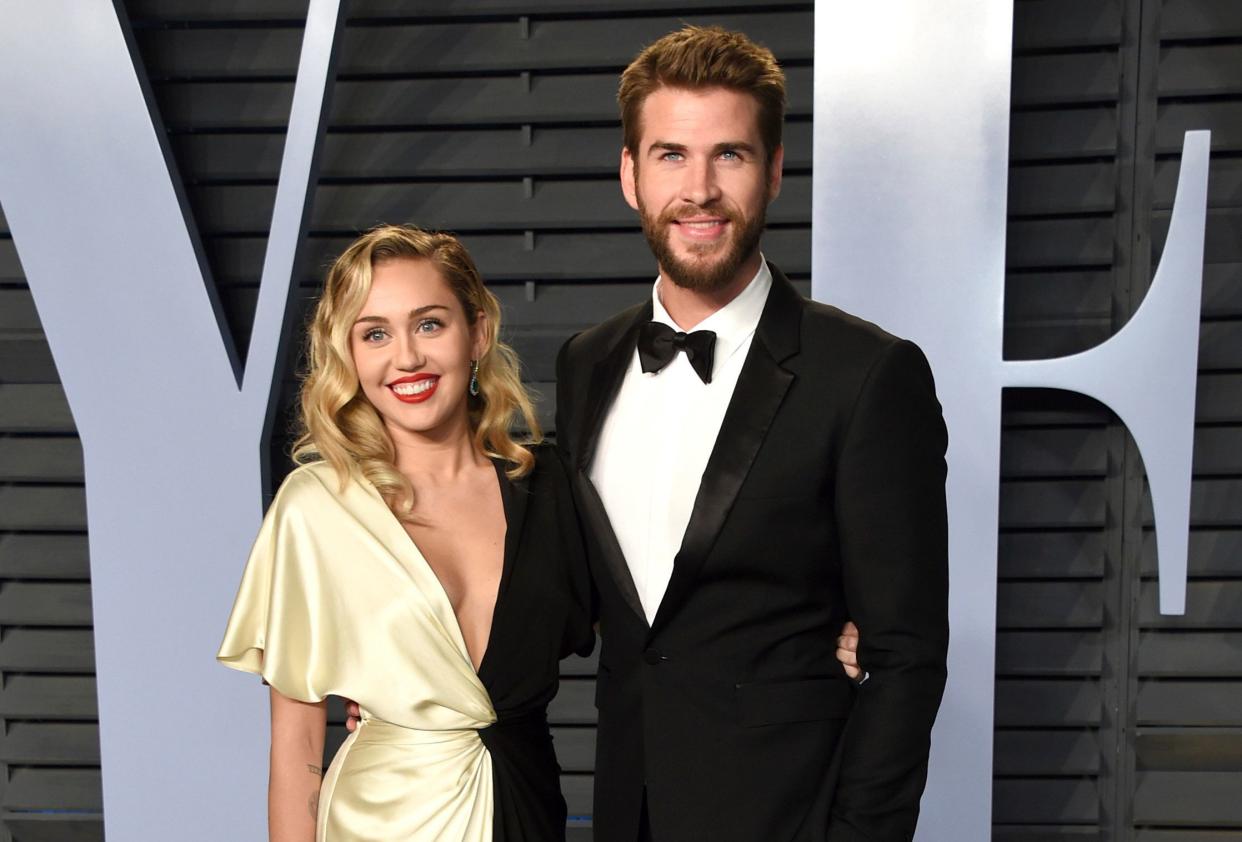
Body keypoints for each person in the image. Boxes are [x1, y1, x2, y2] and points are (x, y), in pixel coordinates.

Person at [553, 26, 949, 842]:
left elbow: (907, 656)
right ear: (629, 174)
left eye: (728, 155)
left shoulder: (868, 374)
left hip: (788, 816)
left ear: (773, 171)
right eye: (670, 155)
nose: (698, 189)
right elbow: (583, 602)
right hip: (628, 812)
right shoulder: (585, 362)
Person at [217, 225, 595, 841]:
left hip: (527, 807)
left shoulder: (551, 488)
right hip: (380, 821)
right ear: (350, 356)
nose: (407, 358)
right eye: (375, 334)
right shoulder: (316, 508)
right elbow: (295, 747)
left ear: (477, 333)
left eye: (429, 324)